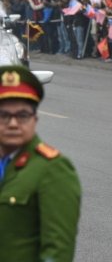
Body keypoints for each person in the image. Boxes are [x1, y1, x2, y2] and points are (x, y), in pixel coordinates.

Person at [0, 65, 81, 262]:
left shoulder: (53, 169)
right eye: (3, 115)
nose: (12, 123)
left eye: (22, 115)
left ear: (35, 119)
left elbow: (58, 250)